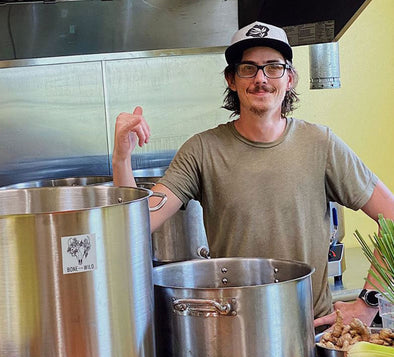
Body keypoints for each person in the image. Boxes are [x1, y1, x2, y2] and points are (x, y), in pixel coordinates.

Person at [112, 21, 394, 328]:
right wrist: (121, 159)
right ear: (231, 79)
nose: (261, 79)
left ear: (290, 78)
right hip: (234, 333)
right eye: (248, 68)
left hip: (311, 331)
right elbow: (135, 224)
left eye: (273, 67)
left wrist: (368, 303)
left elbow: (391, 216)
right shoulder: (202, 150)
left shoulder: (321, 144)